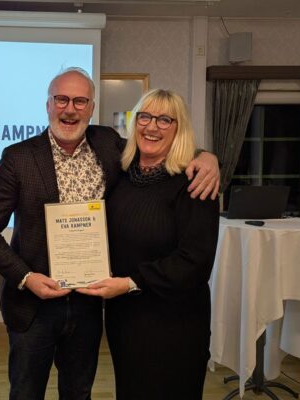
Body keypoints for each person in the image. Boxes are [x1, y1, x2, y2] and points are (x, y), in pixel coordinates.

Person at [0, 68, 219, 400]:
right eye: (61, 99)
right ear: (48, 105)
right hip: (34, 307)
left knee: (79, 393)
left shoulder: (107, 145)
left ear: (91, 108)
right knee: (26, 393)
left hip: (89, 305)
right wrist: (27, 278)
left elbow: (165, 145)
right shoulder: (18, 158)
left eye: (80, 101)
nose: (70, 109)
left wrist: (207, 157)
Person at [77, 89, 220, 399]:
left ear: (179, 128)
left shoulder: (195, 181)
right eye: (145, 117)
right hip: (125, 320)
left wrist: (130, 283)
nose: (152, 126)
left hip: (175, 325)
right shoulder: (122, 175)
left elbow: (195, 262)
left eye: (165, 120)